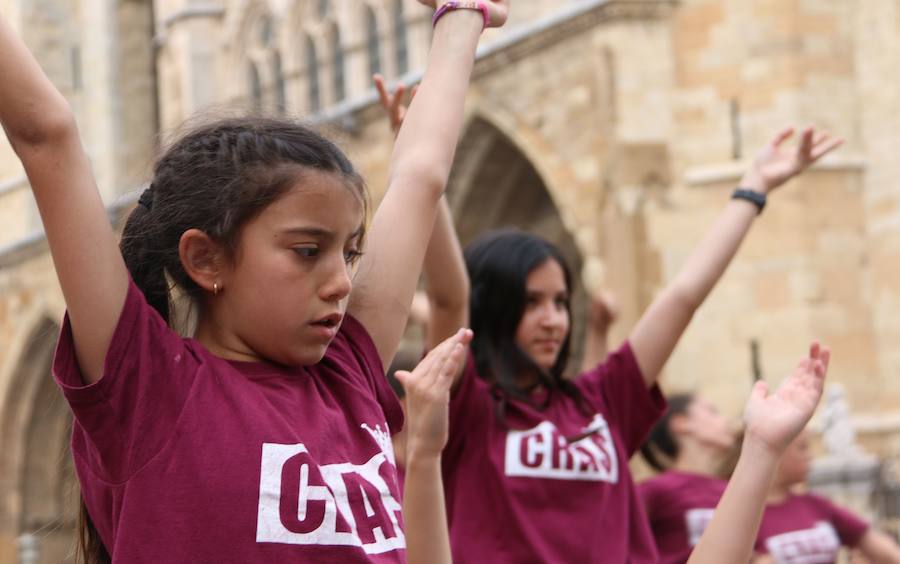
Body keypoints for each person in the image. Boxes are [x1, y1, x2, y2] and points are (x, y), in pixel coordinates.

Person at [0, 0, 509, 561]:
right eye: (307, 251)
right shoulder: (149, 387)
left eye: (351, 252)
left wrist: (464, 14)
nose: (342, 282)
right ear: (206, 260)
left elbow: (420, 176)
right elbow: (46, 132)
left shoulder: (348, 375)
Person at [425, 125, 842, 561]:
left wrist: (753, 188)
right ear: (493, 306)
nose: (553, 320)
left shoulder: (600, 399)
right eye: (531, 303)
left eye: (562, 302)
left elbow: (684, 295)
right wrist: (426, 175)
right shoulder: (464, 400)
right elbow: (448, 296)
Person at [687, 343, 831, 564]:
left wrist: (762, 444)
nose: (724, 421)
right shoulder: (660, 490)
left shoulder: (814, 503)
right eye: (712, 411)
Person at [751, 431, 900, 563]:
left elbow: (882, 549)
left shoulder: (814, 504)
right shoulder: (745, 510)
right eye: (802, 448)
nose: (810, 457)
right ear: (777, 451)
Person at [638, 394, 737, 563]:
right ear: (682, 423)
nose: (726, 421)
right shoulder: (653, 490)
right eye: (712, 411)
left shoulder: (732, 490)